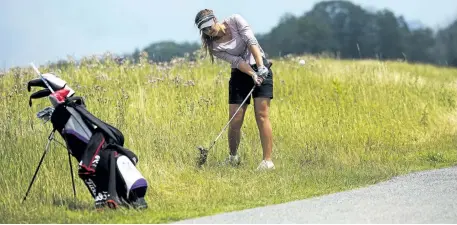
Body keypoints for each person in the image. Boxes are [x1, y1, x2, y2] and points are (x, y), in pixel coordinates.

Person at [194, 9, 275, 170]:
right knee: (235, 120)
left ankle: (267, 161)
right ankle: (233, 157)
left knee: (261, 115)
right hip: (240, 74)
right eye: (205, 30)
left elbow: (251, 42)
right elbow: (237, 61)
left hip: (262, 65)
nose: (209, 31)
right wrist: (252, 74)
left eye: (210, 27)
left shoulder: (235, 20)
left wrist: (260, 67)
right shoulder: (214, 46)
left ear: (215, 19)